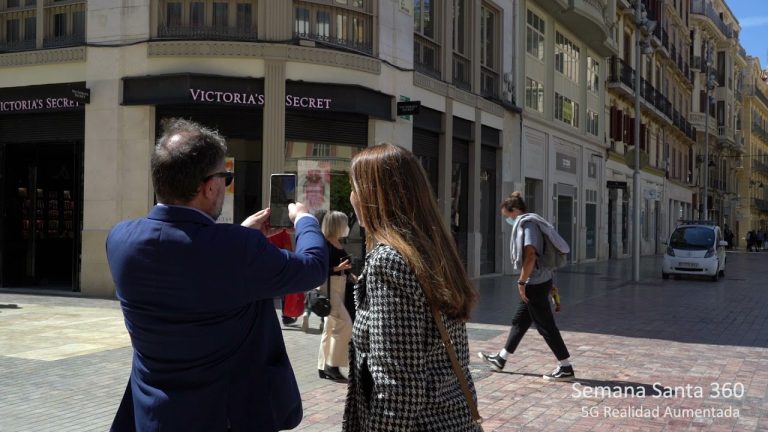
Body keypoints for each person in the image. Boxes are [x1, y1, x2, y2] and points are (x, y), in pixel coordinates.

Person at [106, 118, 328, 432]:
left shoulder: (119, 240)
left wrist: (240, 235)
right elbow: (313, 268)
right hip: (224, 417)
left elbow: (191, 263)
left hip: (153, 417)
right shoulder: (237, 249)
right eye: (226, 177)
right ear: (209, 186)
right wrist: (305, 220)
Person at [342, 143, 480, 431]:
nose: (352, 197)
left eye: (355, 188)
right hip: (452, 418)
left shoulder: (388, 262)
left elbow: (397, 385)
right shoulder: (431, 250)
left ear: (373, 195)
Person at [478, 192, 575, 381]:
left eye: (507, 216)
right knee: (520, 321)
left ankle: (566, 367)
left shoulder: (528, 225)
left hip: (535, 283)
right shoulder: (532, 222)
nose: (507, 220)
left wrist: (521, 282)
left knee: (546, 326)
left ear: (515, 211)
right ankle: (501, 359)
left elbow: (531, 255)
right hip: (540, 280)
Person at [317, 210, 354, 382]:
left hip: (339, 287)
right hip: (331, 289)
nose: (347, 227)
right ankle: (332, 365)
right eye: (344, 224)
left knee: (330, 327)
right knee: (345, 324)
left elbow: (342, 267)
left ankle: (323, 365)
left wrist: (350, 274)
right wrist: (338, 269)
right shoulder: (325, 244)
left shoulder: (336, 242)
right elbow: (320, 268)